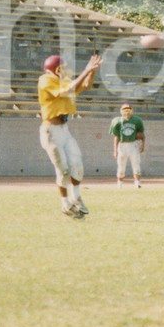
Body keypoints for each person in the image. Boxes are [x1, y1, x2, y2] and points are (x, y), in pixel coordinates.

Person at [38, 53, 102, 219]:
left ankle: (76, 197)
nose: (65, 71)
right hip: (50, 131)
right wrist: (86, 69)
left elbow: (85, 85)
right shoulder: (45, 80)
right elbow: (66, 90)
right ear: (53, 69)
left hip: (64, 130)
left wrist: (92, 71)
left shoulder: (65, 80)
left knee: (77, 164)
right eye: (62, 68)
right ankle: (65, 204)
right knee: (64, 170)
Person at [110, 102, 146, 188]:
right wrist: (115, 150)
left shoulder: (137, 120)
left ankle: (137, 183)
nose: (126, 111)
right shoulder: (117, 121)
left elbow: (142, 135)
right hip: (122, 145)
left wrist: (143, 144)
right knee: (121, 166)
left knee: (136, 164)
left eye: (128, 109)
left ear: (132, 110)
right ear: (121, 111)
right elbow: (116, 136)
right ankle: (120, 184)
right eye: (124, 109)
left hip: (133, 144)